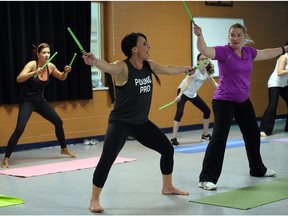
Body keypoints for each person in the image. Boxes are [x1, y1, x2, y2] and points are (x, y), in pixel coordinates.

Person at [82, 32, 192, 213]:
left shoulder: (148, 66)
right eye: (145, 44)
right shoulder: (122, 67)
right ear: (135, 49)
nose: (149, 47)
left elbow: (167, 68)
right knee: (107, 159)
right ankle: (94, 199)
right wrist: (94, 61)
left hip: (141, 122)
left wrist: (185, 69)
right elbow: (108, 67)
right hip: (121, 123)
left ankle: (167, 187)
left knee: (167, 149)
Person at [193, 23, 287, 190]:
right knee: (219, 138)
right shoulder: (223, 51)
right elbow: (205, 50)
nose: (234, 38)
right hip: (224, 101)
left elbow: (265, 53)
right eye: (232, 35)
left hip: (243, 100)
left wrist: (284, 49)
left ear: (244, 37)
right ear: (228, 37)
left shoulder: (248, 52)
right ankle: (206, 178)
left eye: (238, 35)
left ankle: (257, 169)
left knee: (252, 134)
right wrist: (200, 36)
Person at [1, 43, 76, 168]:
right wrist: (34, 72)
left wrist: (66, 72)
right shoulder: (32, 64)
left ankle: (64, 148)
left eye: (48, 52)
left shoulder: (50, 66)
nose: (47, 55)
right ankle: (6, 158)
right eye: (44, 53)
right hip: (27, 100)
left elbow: (62, 77)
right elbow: (19, 79)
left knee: (58, 122)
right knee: (19, 129)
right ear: (38, 54)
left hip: (40, 100)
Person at [170, 53, 218, 146]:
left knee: (207, 111)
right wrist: (179, 95)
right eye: (202, 59)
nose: (204, 60)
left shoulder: (207, 72)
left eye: (206, 59)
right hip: (183, 91)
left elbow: (215, 84)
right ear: (198, 61)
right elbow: (187, 83)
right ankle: (173, 139)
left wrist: (225, 90)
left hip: (193, 94)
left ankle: (205, 135)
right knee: (179, 112)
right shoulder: (194, 70)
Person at [260, 41, 288, 137]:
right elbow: (280, 72)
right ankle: (264, 130)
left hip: (284, 84)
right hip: (275, 83)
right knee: (272, 106)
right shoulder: (284, 57)